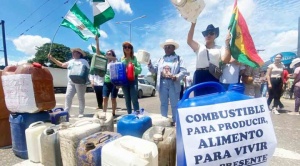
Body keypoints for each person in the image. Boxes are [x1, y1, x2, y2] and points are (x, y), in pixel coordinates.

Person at [187, 23, 231, 96]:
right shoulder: (199, 46)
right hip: (199, 75)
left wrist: (227, 44)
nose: (208, 35)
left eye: (211, 33)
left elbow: (225, 60)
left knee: (213, 98)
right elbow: (189, 41)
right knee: (199, 99)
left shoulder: (220, 48)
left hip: (213, 75)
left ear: (215, 35)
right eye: (206, 34)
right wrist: (193, 24)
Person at [148, 39, 185, 125]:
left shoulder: (179, 58)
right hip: (163, 83)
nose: (167, 49)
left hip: (173, 83)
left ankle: (176, 121)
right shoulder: (161, 60)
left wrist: (176, 76)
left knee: (174, 104)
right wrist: (150, 65)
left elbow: (183, 71)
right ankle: (164, 120)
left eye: (169, 47)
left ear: (173, 48)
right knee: (163, 103)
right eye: (165, 47)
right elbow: (154, 71)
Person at [48, 48, 89, 118]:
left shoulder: (84, 61)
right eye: (73, 52)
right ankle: (66, 112)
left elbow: (87, 71)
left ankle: (81, 112)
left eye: (75, 52)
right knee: (68, 96)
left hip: (80, 82)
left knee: (80, 97)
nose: (73, 53)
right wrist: (52, 59)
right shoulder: (71, 61)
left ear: (79, 54)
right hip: (71, 82)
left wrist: (86, 81)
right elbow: (61, 64)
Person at [121, 42, 142, 114]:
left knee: (134, 99)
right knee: (127, 100)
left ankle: (137, 115)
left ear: (131, 49)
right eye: (125, 47)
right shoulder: (121, 59)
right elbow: (120, 71)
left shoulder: (135, 58)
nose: (127, 48)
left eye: (129, 47)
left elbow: (139, 70)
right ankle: (129, 114)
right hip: (124, 81)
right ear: (123, 49)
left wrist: (133, 67)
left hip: (133, 80)